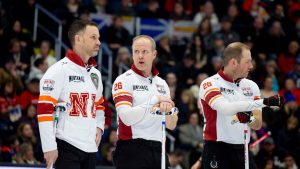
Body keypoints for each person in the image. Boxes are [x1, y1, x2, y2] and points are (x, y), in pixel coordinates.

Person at [198, 42, 283, 169]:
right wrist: (264, 102)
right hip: (217, 149)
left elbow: (257, 123)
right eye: (247, 62)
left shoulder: (251, 86)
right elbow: (226, 109)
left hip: (243, 149)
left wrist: (249, 119)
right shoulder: (210, 83)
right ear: (234, 62)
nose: (251, 66)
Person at [37, 20, 105, 169]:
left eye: (98, 38)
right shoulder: (58, 70)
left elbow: (99, 105)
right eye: (93, 37)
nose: (98, 42)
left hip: (90, 149)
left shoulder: (96, 74)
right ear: (78, 39)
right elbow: (44, 111)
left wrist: (99, 127)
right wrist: (49, 147)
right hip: (66, 146)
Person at [111, 35, 178, 169]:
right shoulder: (123, 80)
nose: (140, 56)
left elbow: (171, 125)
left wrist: (169, 111)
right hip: (132, 149)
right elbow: (126, 118)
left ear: (154, 54)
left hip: (158, 148)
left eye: (144, 52)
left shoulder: (162, 84)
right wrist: (155, 100)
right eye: (136, 51)